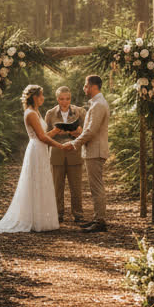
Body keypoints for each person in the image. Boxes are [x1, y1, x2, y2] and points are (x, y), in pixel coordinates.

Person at [0, 84, 62, 234]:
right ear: (34, 97)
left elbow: (44, 136)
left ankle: (42, 219)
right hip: (36, 150)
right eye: (41, 95)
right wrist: (61, 146)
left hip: (40, 149)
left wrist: (56, 131)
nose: (43, 98)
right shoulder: (30, 113)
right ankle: (34, 220)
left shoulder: (37, 112)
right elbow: (41, 137)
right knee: (35, 181)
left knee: (42, 181)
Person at [63, 75, 111, 232]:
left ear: (93, 87)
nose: (84, 88)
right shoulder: (97, 103)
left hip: (95, 151)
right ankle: (98, 218)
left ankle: (100, 221)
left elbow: (91, 131)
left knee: (96, 186)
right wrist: (77, 134)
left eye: (85, 86)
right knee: (95, 185)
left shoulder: (98, 104)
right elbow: (89, 130)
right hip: (93, 149)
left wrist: (75, 143)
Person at [45, 85, 87, 224]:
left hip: (74, 151)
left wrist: (71, 132)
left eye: (67, 99)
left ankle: (78, 215)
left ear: (70, 98)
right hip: (57, 152)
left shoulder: (80, 112)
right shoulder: (50, 113)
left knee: (76, 186)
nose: (65, 102)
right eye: (62, 99)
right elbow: (45, 136)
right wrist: (57, 131)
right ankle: (58, 214)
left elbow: (86, 133)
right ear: (57, 99)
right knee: (57, 186)